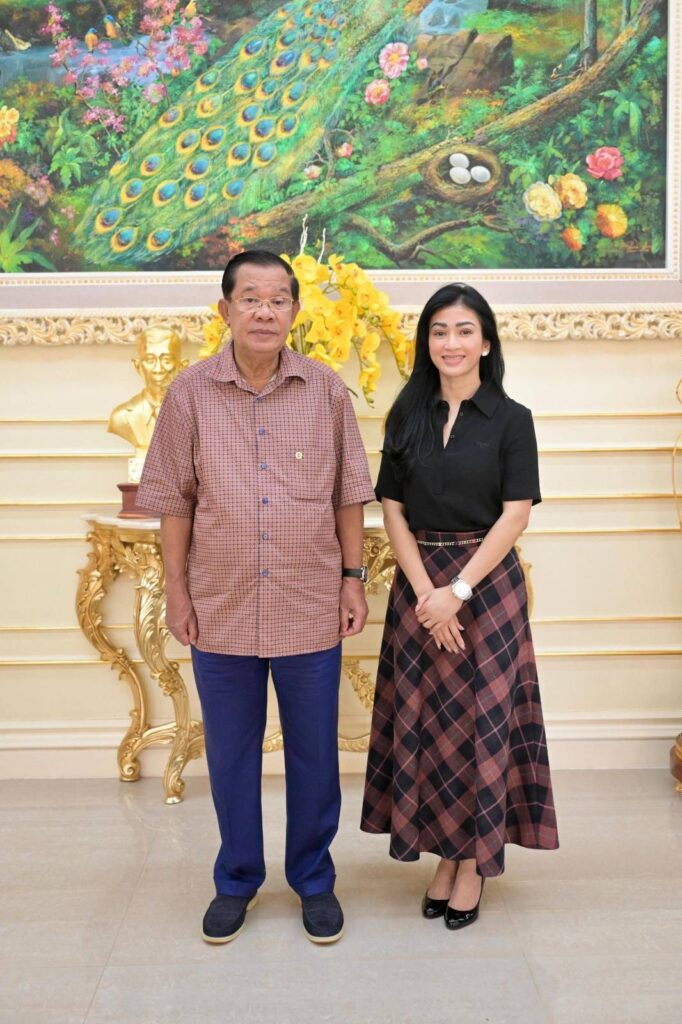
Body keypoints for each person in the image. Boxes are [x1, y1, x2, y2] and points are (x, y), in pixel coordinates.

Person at [137, 250, 375, 945]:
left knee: (314, 753)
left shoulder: (326, 391)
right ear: (225, 310)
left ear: (294, 311)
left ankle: (314, 881)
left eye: (277, 300)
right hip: (220, 605)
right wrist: (176, 591)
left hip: (309, 603)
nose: (264, 312)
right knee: (231, 754)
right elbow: (174, 502)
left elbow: (348, 496)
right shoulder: (188, 394)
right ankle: (237, 879)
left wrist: (352, 579)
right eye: (250, 299)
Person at [360, 283, 558, 929]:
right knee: (431, 727)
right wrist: (427, 596)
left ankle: (474, 861)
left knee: (481, 725)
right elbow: (392, 510)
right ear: (427, 343)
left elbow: (516, 514)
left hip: (485, 587)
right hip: (419, 587)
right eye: (440, 331)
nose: (451, 342)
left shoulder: (512, 418)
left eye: (464, 330)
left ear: (486, 343)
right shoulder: (406, 416)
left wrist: (458, 594)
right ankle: (444, 856)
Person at [108, 327, 188, 458]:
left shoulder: (195, 416)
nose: (158, 369)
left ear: (182, 366)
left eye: (167, 360)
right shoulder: (121, 417)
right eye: (150, 360)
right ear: (137, 366)